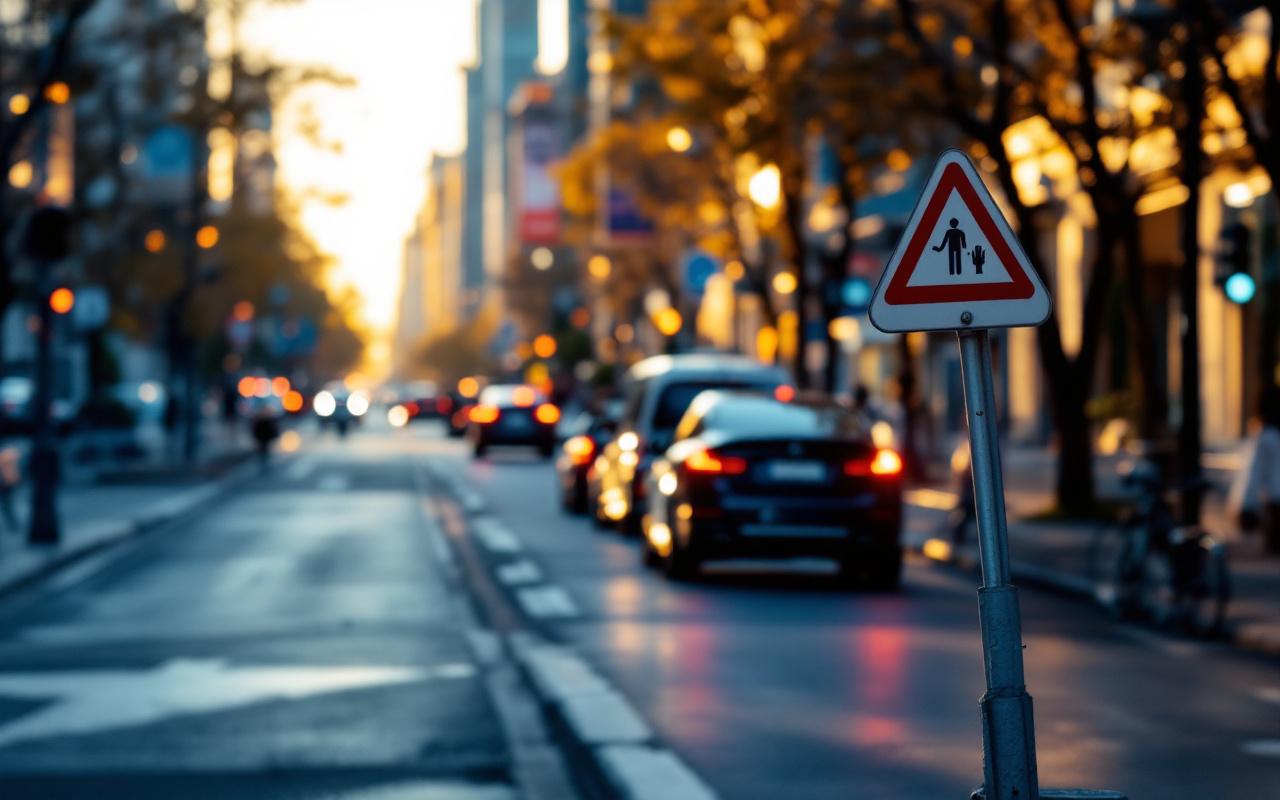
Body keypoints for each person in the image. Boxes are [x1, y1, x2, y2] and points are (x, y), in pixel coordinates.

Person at [1231, 384, 1280, 554]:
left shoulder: (1264, 436)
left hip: (1272, 499)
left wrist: (1246, 503)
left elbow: (1254, 473)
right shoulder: (1269, 435)